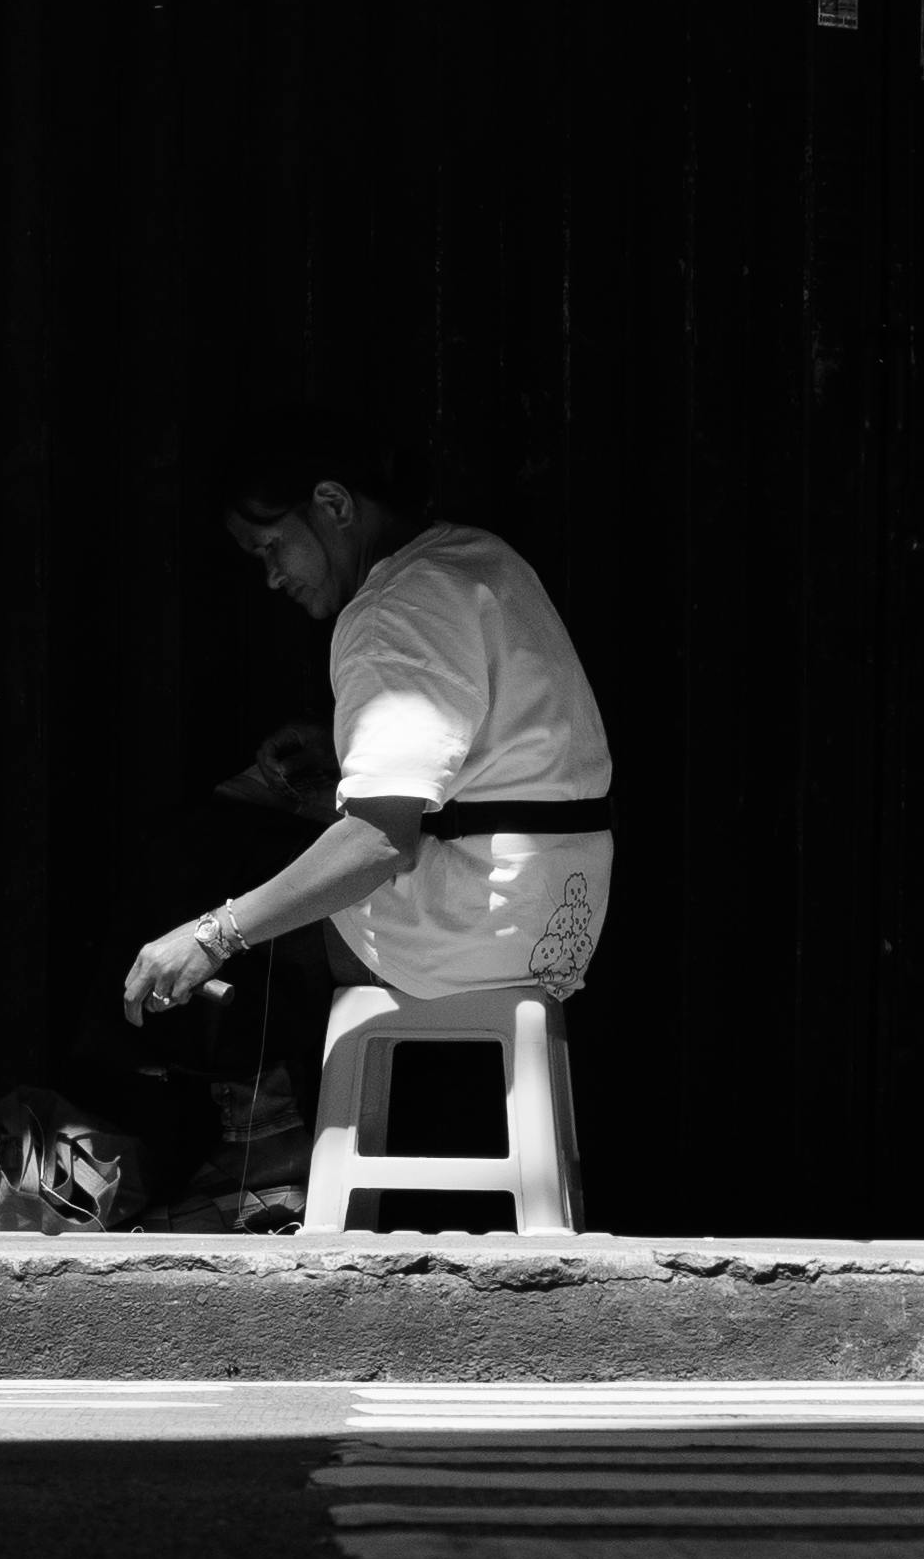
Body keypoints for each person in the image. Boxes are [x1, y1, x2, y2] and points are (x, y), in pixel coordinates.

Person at [121, 413, 616, 1119]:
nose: (270, 578)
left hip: (465, 929)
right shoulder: (477, 558)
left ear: (333, 504)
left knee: (201, 860)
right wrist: (337, 746)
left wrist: (211, 935)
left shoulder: (390, 611)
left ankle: (224, 1153)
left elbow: (379, 841)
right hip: (555, 917)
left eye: (271, 547)